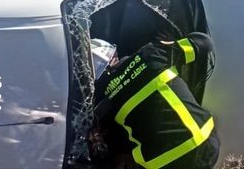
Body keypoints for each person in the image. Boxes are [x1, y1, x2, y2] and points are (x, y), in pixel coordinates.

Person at [92, 32, 219, 169]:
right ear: (114, 54)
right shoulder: (151, 54)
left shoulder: (105, 99)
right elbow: (205, 42)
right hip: (203, 141)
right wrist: (171, 44)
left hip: (162, 162)